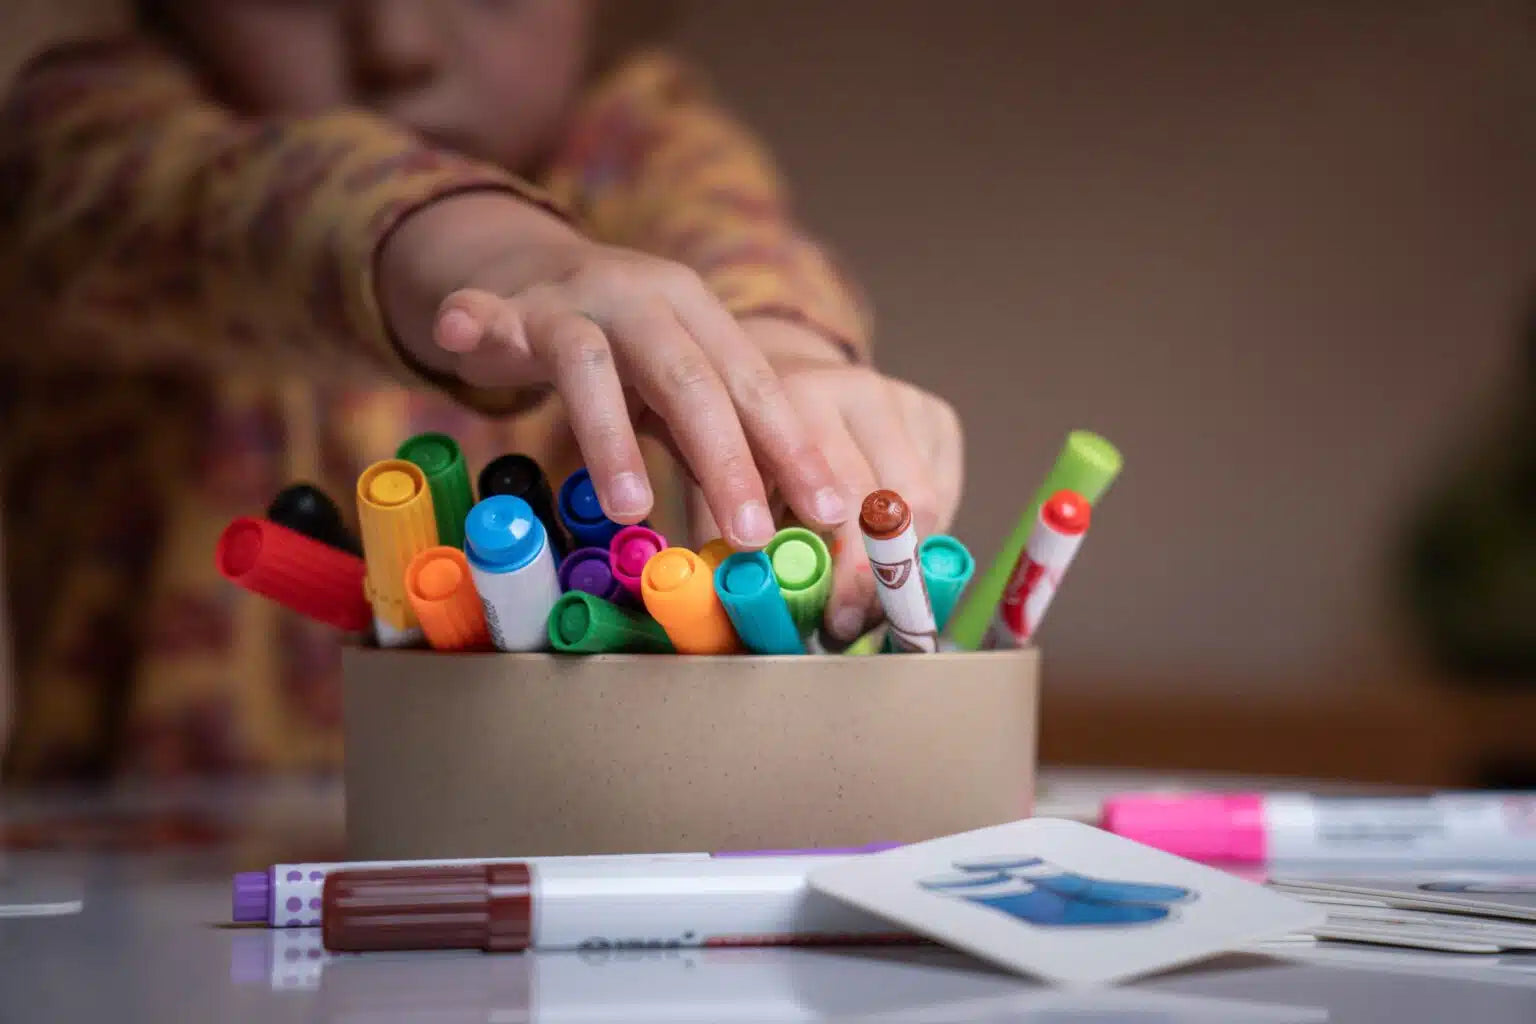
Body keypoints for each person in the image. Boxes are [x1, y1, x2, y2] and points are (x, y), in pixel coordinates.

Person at [0, 0, 964, 781]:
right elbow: (232, 205)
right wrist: (505, 258)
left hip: (563, 873)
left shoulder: (633, 139)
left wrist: (781, 353)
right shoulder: (86, 127)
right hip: (137, 909)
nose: (398, 44)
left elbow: (733, 235)